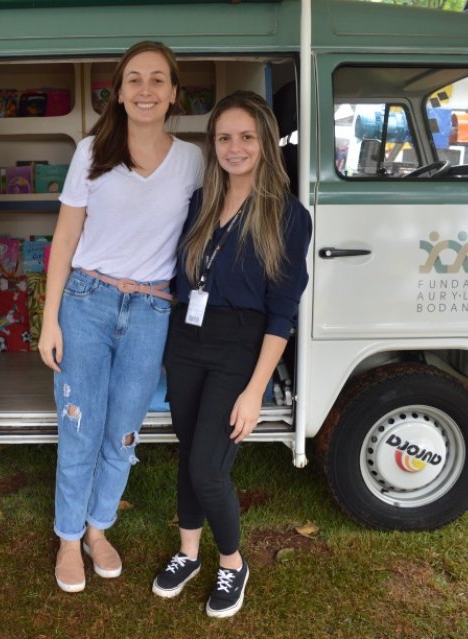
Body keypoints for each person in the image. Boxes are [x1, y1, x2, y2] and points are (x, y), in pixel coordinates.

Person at [36, 41, 202, 594]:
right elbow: (63, 240)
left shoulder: (193, 161)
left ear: (174, 93)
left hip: (153, 308)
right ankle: (67, 538)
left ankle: (98, 529)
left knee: (124, 432)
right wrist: (49, 320)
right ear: (120, 91)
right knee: (79, 427)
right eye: (135, 79)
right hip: (86, 302)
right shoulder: (92, 152)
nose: (146, 90)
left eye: (158, 79)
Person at [151, 91, 311, 617]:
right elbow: (179, 278)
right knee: (190, 453)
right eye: (224, 137)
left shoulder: (288, 216)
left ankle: (232, 564)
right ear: (212, 143)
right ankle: (188, 552)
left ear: (265, 142)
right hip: (187, 340)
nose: (235, 147)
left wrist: (255, 389)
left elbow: (282, 312)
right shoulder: (200, 203)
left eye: (246, 137)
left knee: (209, 467)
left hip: (240, 347)